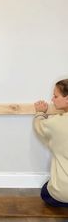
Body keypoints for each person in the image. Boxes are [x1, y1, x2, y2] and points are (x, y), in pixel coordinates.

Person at [33, 79, 68, 207]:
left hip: (63, 196)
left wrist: (40, 113)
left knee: (45, 191)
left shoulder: (55, 123)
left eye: (55, 96)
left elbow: (39, 127)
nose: (52, 99)